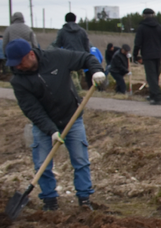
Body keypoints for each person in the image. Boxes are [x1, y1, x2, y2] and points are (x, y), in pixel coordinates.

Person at [6, 38, 105, 211]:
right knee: (42, 164)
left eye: (20, 62)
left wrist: (96, 71)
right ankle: (50, 202)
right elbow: (32, 110)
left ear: (30, 54)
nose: (17, 67)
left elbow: (86, 58)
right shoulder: (18, 81)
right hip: (45, 125)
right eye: (14, 64)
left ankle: (84, 200)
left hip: (71, 117)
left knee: (80, 160)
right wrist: (51, 130)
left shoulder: (56, 57)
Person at [132, 8, 161, 105]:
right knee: (155, 76)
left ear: (144, 16)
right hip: (157, 54)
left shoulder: (142, 27)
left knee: (151, 76)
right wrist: (160, 51)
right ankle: (153, 94)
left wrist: (135, 55)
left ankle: (157, 97)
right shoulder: (159, 27)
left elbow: (137, 43)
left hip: (147, 55)